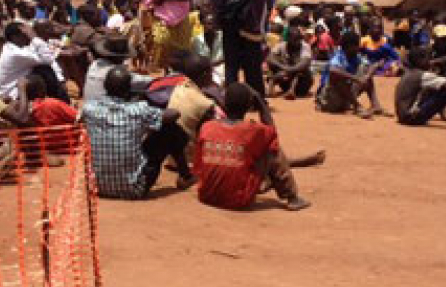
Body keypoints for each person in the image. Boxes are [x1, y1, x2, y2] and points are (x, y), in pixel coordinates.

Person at [80, 65, 193, 198]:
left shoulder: (89, 108)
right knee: (170, 129)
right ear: (128, 89)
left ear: (105, 87)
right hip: (134, 189)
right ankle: (185, 176)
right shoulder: (138, 110)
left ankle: (185, 176)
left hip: (96, 187)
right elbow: (174, 114)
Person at [195, 83, 312, 211]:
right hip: (237, 200)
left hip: (206, 195)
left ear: (223, 104)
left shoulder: (207, 127)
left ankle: (258, 183)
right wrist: (261, 103)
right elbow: (272, 133)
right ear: (249, 106)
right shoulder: (252, 131)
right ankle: (291, 197)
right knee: (271, 149)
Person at [210, 0, 274, 95]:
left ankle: (233, 102)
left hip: (231, 28)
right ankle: (258, 101)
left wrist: (219, 21)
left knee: (231, 68)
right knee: (254, 69)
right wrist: (262, 22)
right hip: (253, 29)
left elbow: (217, 0)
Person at [318, 30, 385, 118]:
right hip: (329, 99)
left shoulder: (356, 57)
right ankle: (357, 106)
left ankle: (375, 105)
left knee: (365, 71)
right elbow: (333, 70)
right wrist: (356, 78)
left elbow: (370, 65)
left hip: (345, 98)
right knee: (338, 77)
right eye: (356, 45)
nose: (359, 47)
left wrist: (368, 75)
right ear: (348, 46)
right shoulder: (338, 56)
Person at [0, 21, 60, 101]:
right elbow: (48, 59)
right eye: (25, 34)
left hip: (7, 89)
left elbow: (36, 53)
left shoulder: (9, 47)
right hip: (10, 93)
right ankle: (59, 99)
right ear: (15, 37)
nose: (28, 36)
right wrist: (34, 37)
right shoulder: (17, 53)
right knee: (45, 70)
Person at [266, 26, 314, 99]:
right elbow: (269, 58)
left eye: (299, 38)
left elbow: (305, 62)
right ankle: (272, 84)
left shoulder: (305, 46)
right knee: (274, 63)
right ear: (288, 39)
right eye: (295, 39)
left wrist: (289, 70)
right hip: (285, 79)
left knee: (301, 69)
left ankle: (292, 90)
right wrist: (283, 68)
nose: (298, 41)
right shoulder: (281, 45)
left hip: (302, 83)